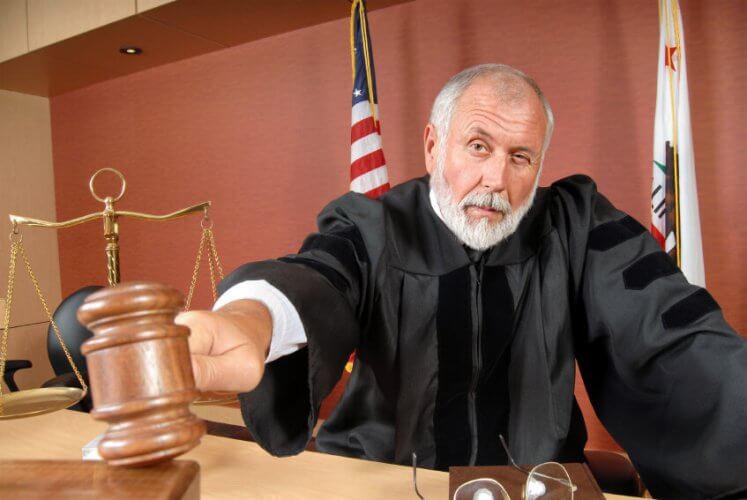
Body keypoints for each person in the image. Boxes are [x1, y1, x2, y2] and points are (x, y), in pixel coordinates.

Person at [177, 64, 747, 498]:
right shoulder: (374, 225)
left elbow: (670, 328)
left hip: (538, 486)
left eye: (521, 156)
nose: (495, 178)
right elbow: (318, 278)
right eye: (478, 146)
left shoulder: (575, 223)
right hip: (384, 483)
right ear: (433, 145)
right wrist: (251, 318)